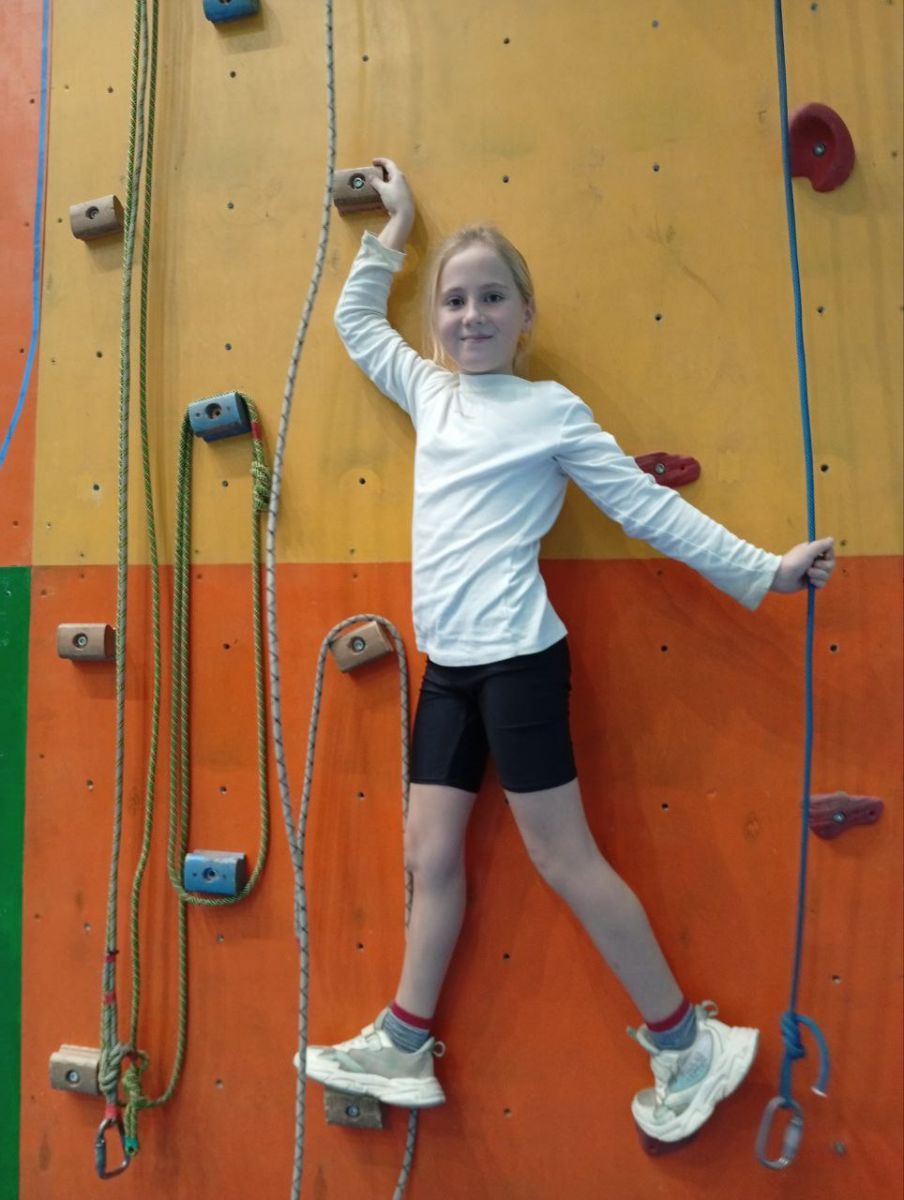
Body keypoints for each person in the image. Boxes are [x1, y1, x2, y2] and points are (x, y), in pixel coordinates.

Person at [300, 157, 836, 1148]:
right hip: (449, 670)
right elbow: (355, 323)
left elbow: (647, 510)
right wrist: (397, 227)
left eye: (490, 298)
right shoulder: (429, 390)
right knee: (428, 854)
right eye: (454, 301)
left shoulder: (551, 412)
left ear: (525, 316)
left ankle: (686, 1046)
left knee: (562, 855)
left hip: (518, 664)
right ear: (437, 323)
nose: (470, 315)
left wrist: (766, 571)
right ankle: (405, 1043)